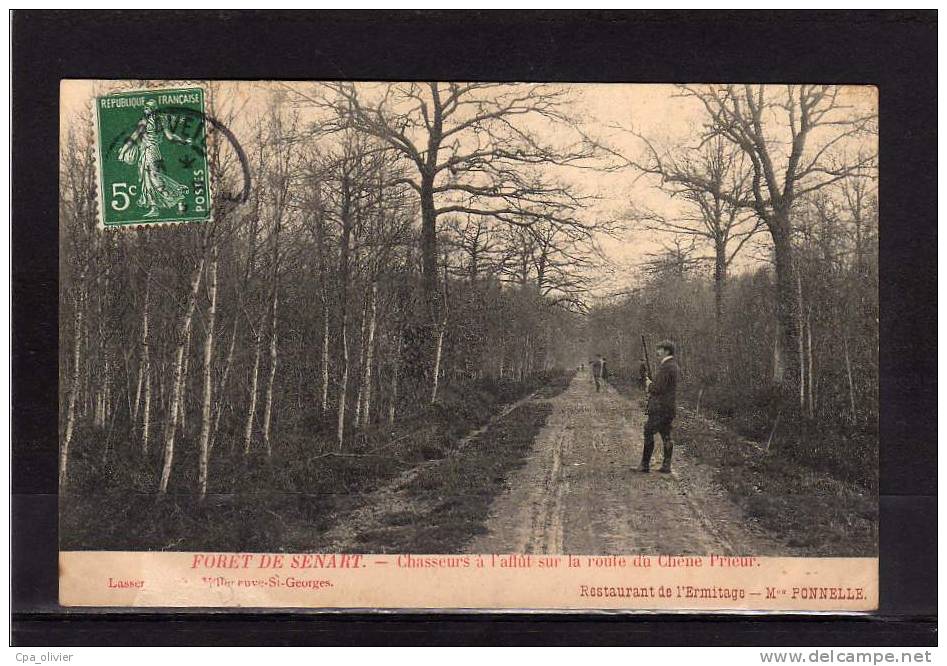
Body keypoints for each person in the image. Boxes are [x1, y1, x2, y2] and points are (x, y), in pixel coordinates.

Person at [118, 99, 192, 218]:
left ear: (152, 109)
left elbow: (134, 137)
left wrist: (123, 152)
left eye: (147, 107)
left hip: (149, 152)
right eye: (145, 107)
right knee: (149, 179)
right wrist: (183, 141)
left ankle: (178, 195)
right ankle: (155, 208)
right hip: (152, 151)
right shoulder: (161, 120)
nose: (145, 109)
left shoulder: (145, 122)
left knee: (153, 178)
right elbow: (170, 137)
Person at [638, 340, 681, 473]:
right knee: (666, 434)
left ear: (666, 351)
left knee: (648, 431)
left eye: (660, 349)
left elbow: (657, 388)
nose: (657, 352)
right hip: (668, 407)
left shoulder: (666, 367)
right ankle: (666, 466)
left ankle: (644, 465)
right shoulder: (673, 365)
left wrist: (649, 384)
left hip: (660, 408)